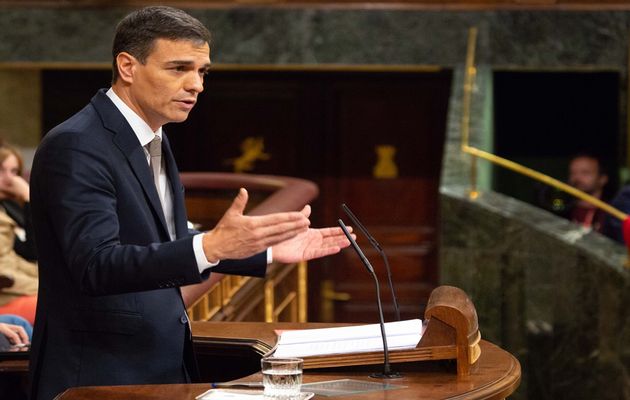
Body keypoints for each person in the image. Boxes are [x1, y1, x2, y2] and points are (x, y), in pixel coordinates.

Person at [28, 6, 351, 400]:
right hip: (97, 375)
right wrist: (210, 246)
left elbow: (165, 238)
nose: (196, 85)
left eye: (202, 72)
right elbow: (96, 265)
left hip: (155, 364)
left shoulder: (155, 135)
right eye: (178, 69)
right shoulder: (77, 145)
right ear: (127, 66)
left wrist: (263, 252)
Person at [0, 142, 36, 262]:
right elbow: (31, 252)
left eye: (14, 171)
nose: (9, 179)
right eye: (1, 170)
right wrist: (27, 196)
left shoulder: (13, 205)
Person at [565, 153, 609, 232]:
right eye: (573, 173)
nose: (577, 178)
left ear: (602, 179)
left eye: (585, 172)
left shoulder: (611, 215)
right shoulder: (565, 212)